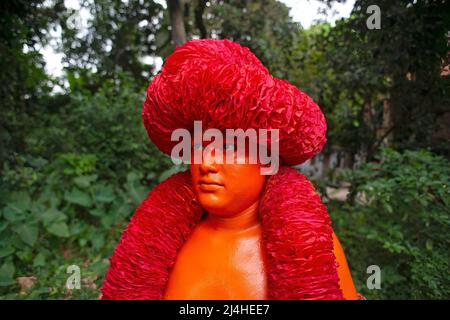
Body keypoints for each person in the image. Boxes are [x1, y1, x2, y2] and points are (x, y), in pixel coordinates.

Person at [101, 39, 359, 300]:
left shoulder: (311, 248)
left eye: (228, 147)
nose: (206, 163)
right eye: (200, 145)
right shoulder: (160, 244)